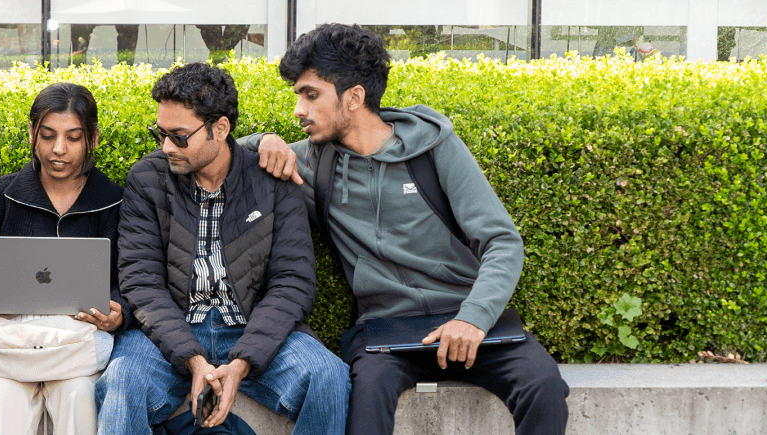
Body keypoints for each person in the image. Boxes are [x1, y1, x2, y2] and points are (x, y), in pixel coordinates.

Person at [240, 24, 570, 435]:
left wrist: (473, 318)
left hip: (465, 319)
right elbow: (213, 150)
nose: (299, 111)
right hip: (384, 330)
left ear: (355, 97)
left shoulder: (434, 148)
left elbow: (502, 241)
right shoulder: (311, 162)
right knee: (364, 401)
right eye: (298, 96)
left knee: (545, 388)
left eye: (311, 94)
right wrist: (264, 140)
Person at [96, 62, 349, 435]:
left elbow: (293, 282)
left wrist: (242, 362)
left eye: (179, 136)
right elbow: (140, 280)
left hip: (251, 327)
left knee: (329, 376)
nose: (167, 147)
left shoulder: (272, 179)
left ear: (220, 128)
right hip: (170, 330)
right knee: (121, 381)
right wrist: (193, 359)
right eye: (160, 134)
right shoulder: (147, 179)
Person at [0, 82, 136, 435]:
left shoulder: (114, 203)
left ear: (92, 138)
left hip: (75, 348)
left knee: (80, 396)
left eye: (73, 138)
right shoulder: (3, 196)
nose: (58, 150)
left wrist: (118, 311)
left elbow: (135, 281)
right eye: (47, 136)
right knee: (1, 395)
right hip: (10, 347)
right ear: (32, 133)